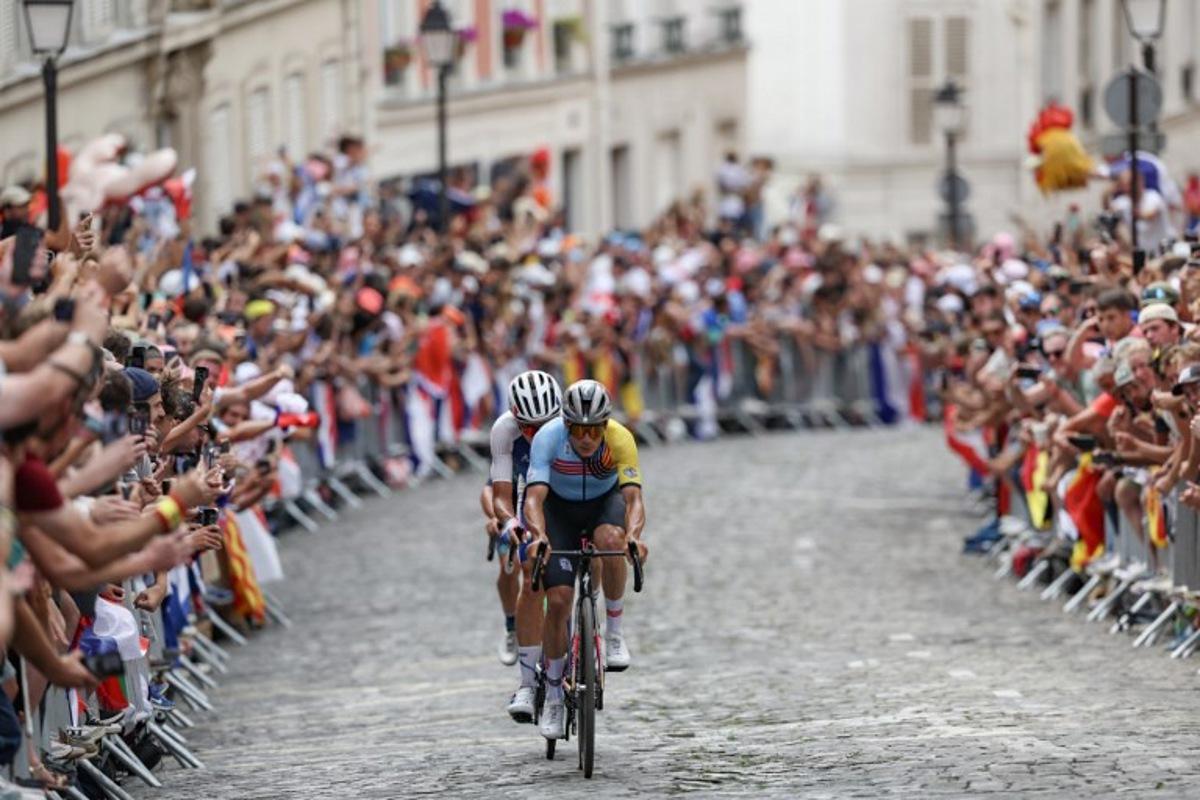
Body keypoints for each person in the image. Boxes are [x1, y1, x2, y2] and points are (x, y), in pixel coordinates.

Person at [522, 380, 648, 740]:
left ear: (605, 426)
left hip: (602, 504)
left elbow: (634, 499)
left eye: (595, 430)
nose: (587, 439)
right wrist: (540, 536)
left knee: (611, 540)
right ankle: (555, 698)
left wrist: (634, 537)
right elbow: (533, 499)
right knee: (559, 599)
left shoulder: (620, 438)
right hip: (558, 509)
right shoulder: (548, 438)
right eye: (579, 429)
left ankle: (614, 633)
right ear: (567, 425)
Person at [480, 370, 562, 722]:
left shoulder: (570, 426)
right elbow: (496, 493)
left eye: (544, 425)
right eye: (529, 427)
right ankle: (517, 638)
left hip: (562, 498)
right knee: (519, 568)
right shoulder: (504, 431)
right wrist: (505, 522)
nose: (537, 434)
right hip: (520, 500)